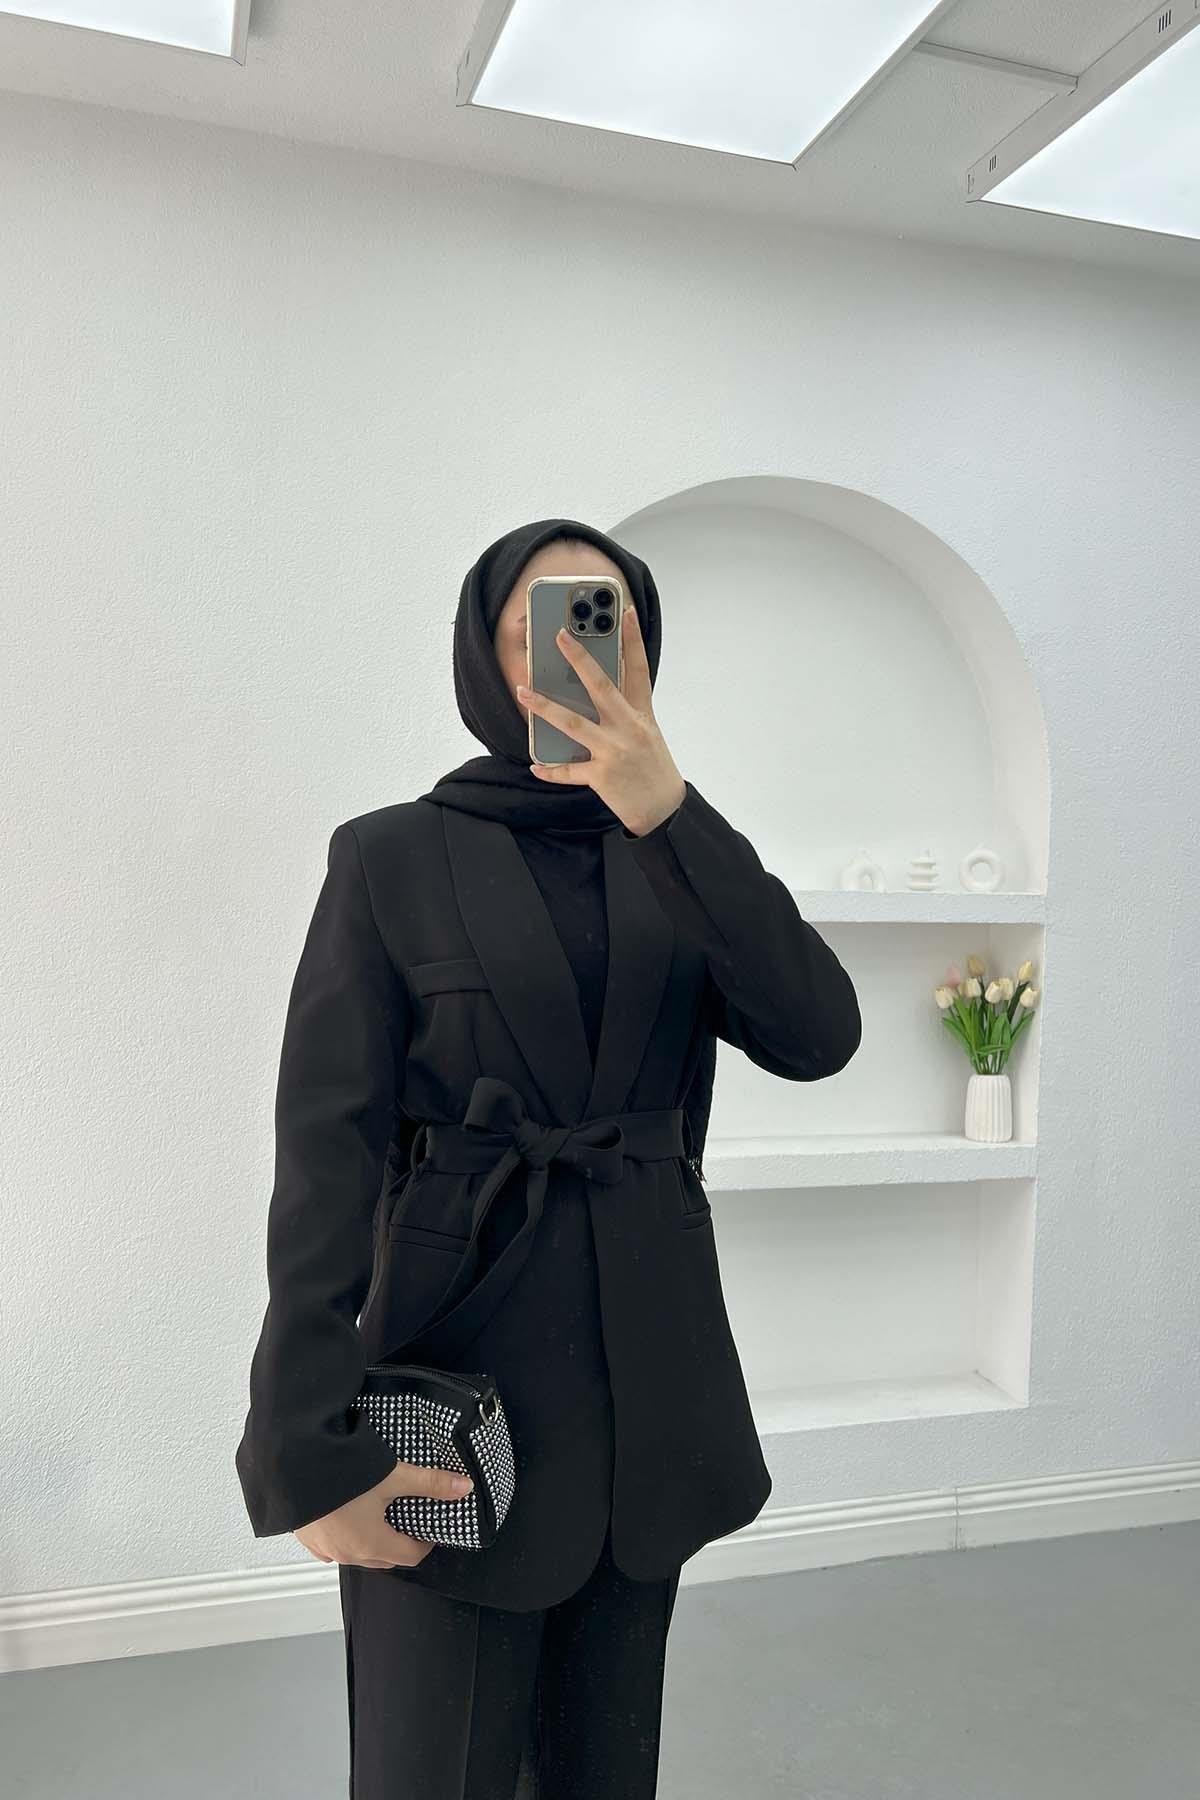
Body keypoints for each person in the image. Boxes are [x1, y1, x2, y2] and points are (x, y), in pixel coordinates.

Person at [235, 517, 863, 1798]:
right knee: (430, 1769)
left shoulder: (682, 855)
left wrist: (669, 813)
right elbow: (324, 1157)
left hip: (648, 1394)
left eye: (606, 620)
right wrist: (304, 1445)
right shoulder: (390, 856)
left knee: (604, 1770)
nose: (577, 651)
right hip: (452, 1382)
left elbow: (819, 1035)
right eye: (546, 623)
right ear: (488, 653)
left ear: (645, 653)